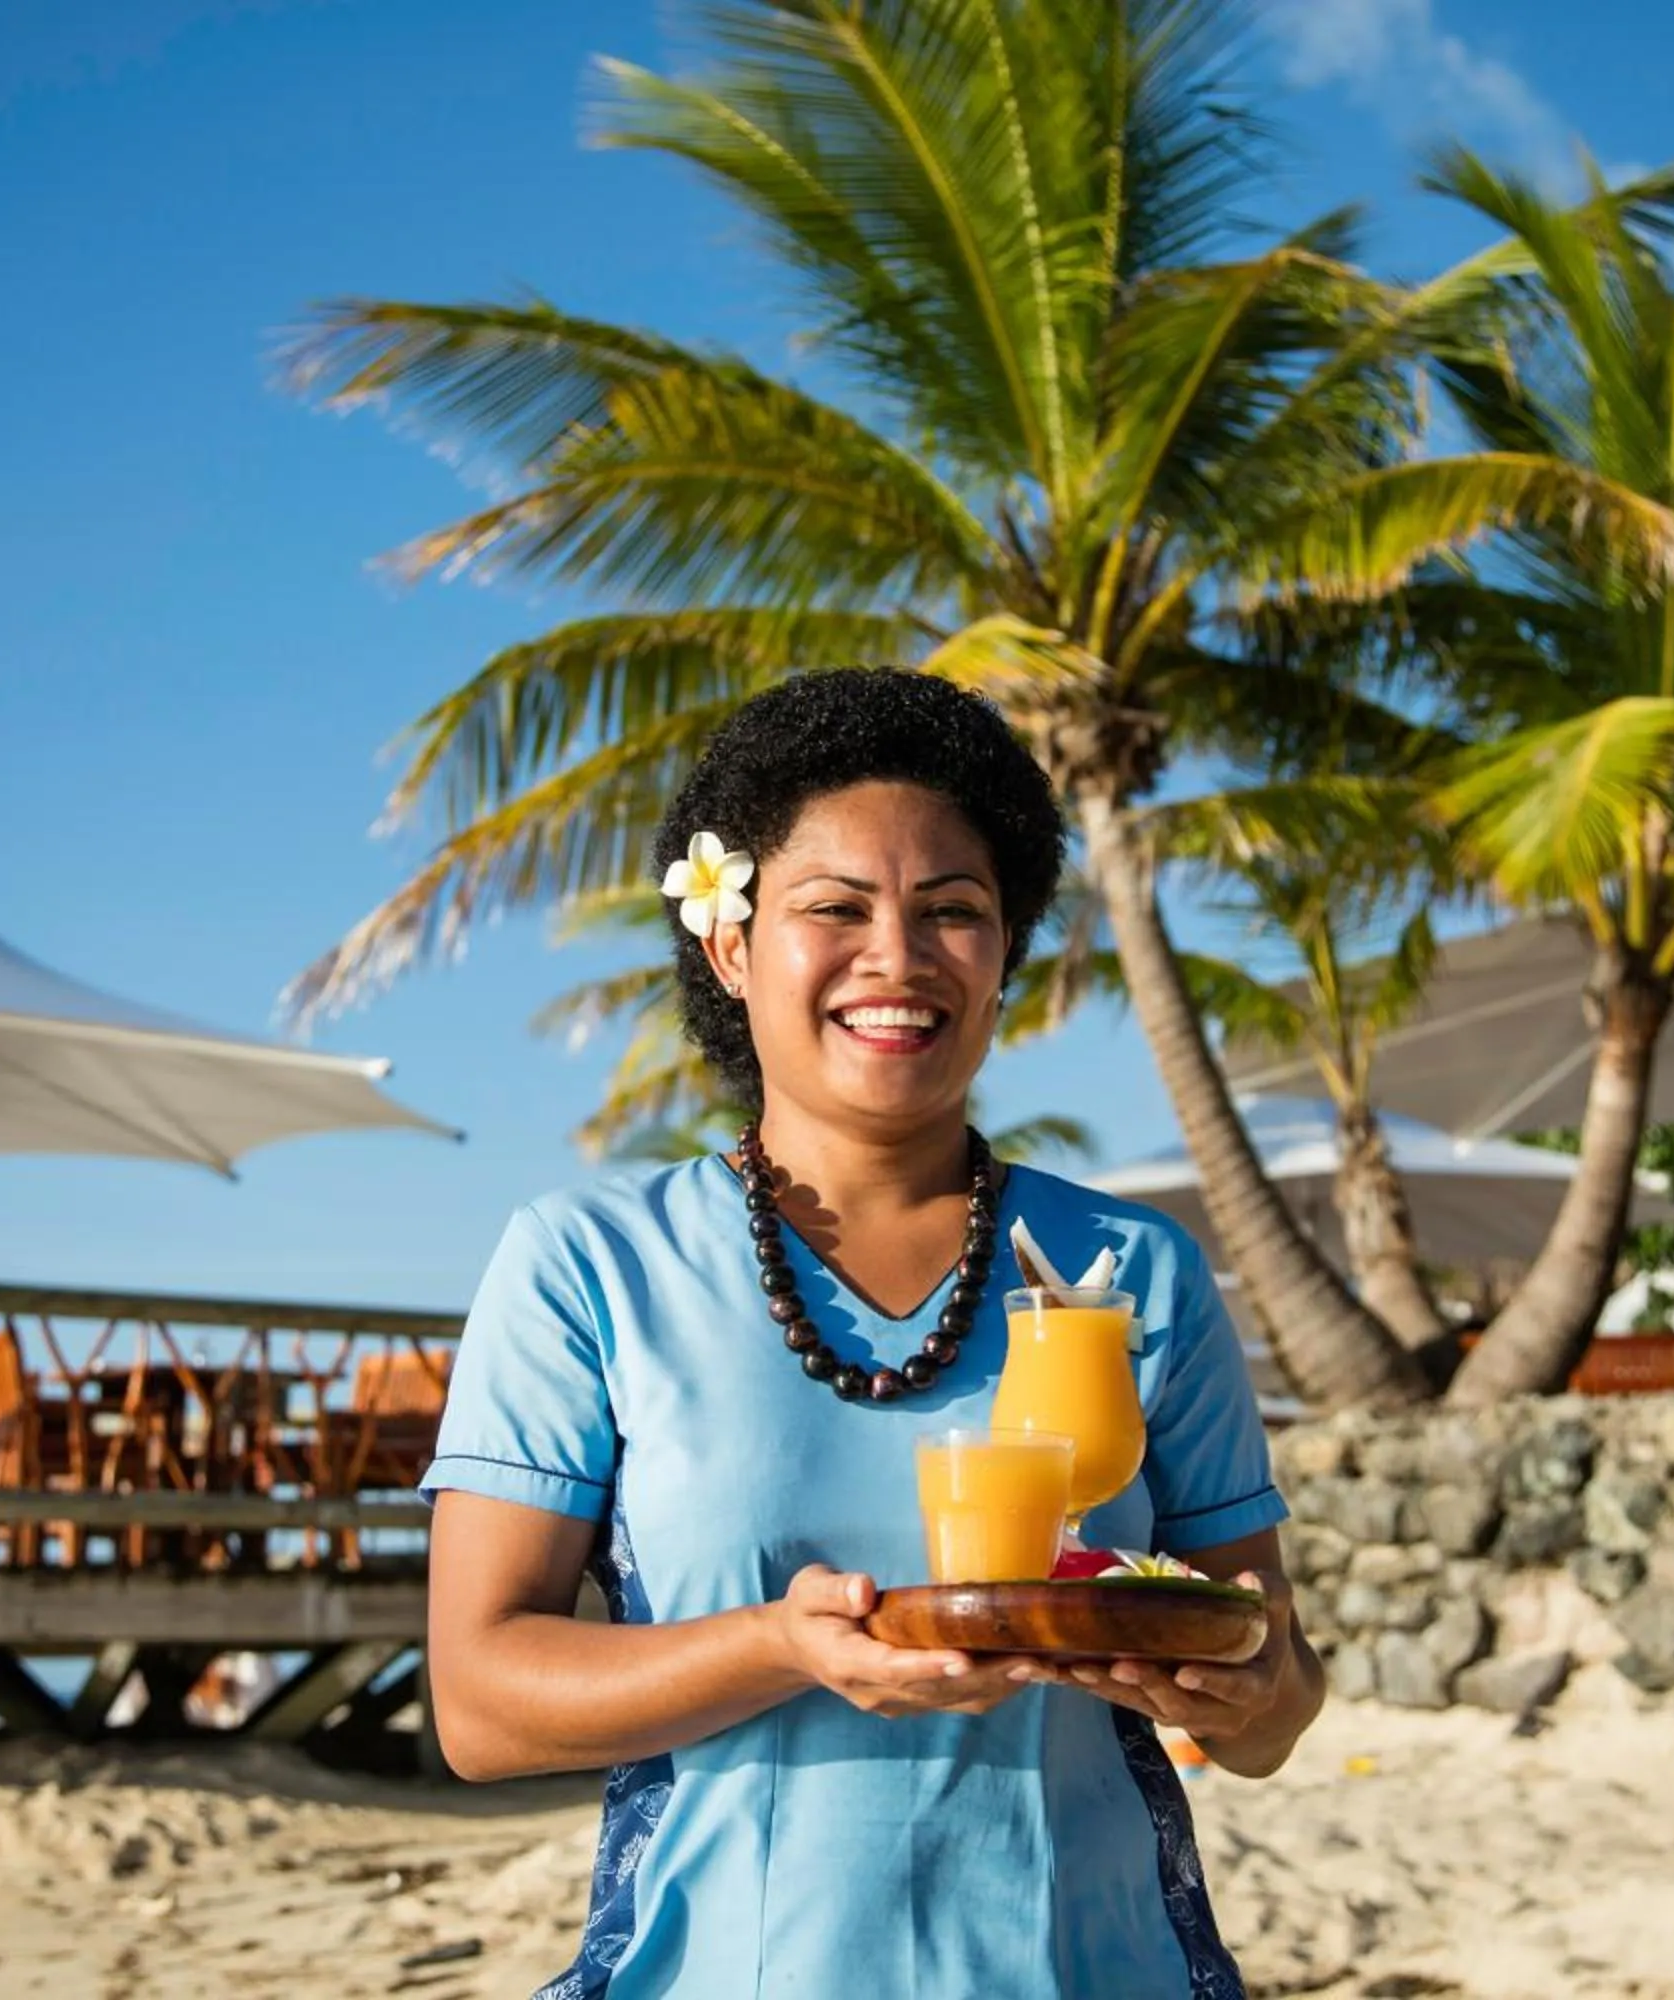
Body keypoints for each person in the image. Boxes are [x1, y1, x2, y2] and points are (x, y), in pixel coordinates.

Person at [420, 668, 1324, 1998]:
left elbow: (1275, 1687)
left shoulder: (1135, 1271)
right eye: (834, 908)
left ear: (1005, 953)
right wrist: (780, 1648)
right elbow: (481, 1706)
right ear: (731, 948)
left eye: (953, 910)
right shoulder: (592, 1265)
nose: (897, 957)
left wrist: (1245, 1693)